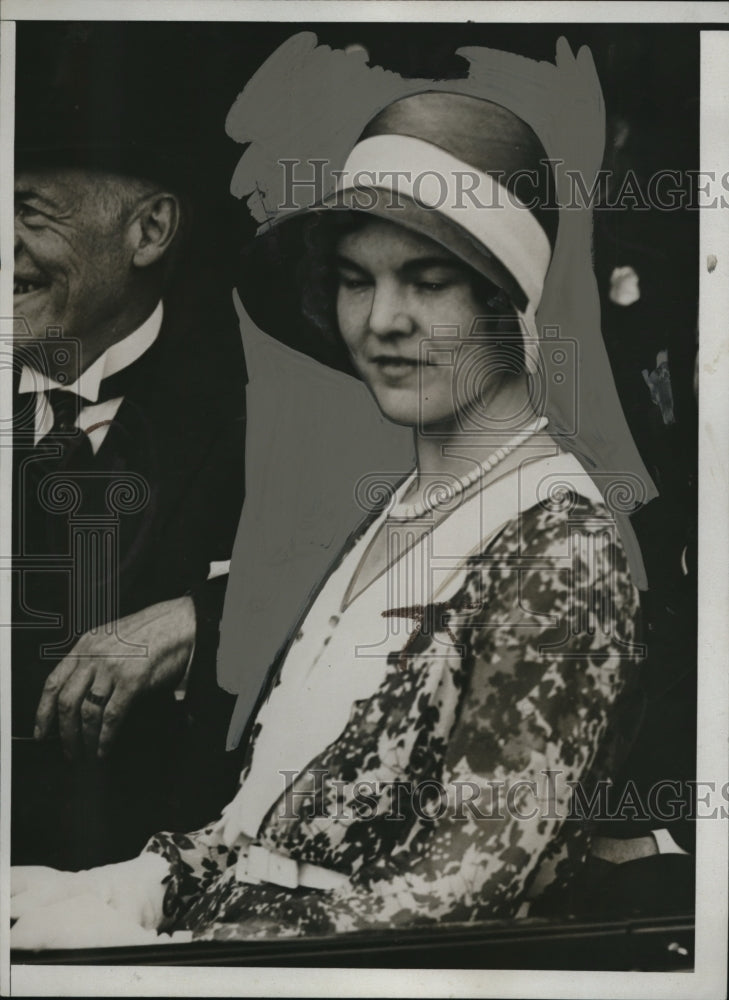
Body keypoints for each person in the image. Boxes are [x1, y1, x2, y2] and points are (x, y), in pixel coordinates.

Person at [11, 89, 654, 947]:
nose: (382, 321)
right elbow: (260, 834)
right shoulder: (401, 509)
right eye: (355, 281)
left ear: (507, 305)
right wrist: (118, 888)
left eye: (427, 282)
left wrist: (164, 950)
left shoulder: (561, 545)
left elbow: (464, 898)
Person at [10, 26, 247, 870]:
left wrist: (195, 620)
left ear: (148, 232)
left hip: (151, 906)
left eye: (28, 211)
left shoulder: (271, 408)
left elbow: (380, 593)